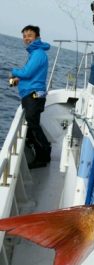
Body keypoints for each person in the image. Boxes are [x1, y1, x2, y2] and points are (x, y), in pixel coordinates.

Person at [10, 25, 52, 169]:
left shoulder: (38, 53)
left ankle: (43, 156)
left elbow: (27, 73)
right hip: (33, 94)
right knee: (33, 124)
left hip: (33, 95)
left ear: (37, 37)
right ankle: (41, 148)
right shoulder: (35, 53)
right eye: (24, 36)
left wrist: (13, 71)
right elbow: (31, 74)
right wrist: (18, 79)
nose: (26, 38)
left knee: (33, 124)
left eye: (29, 35)